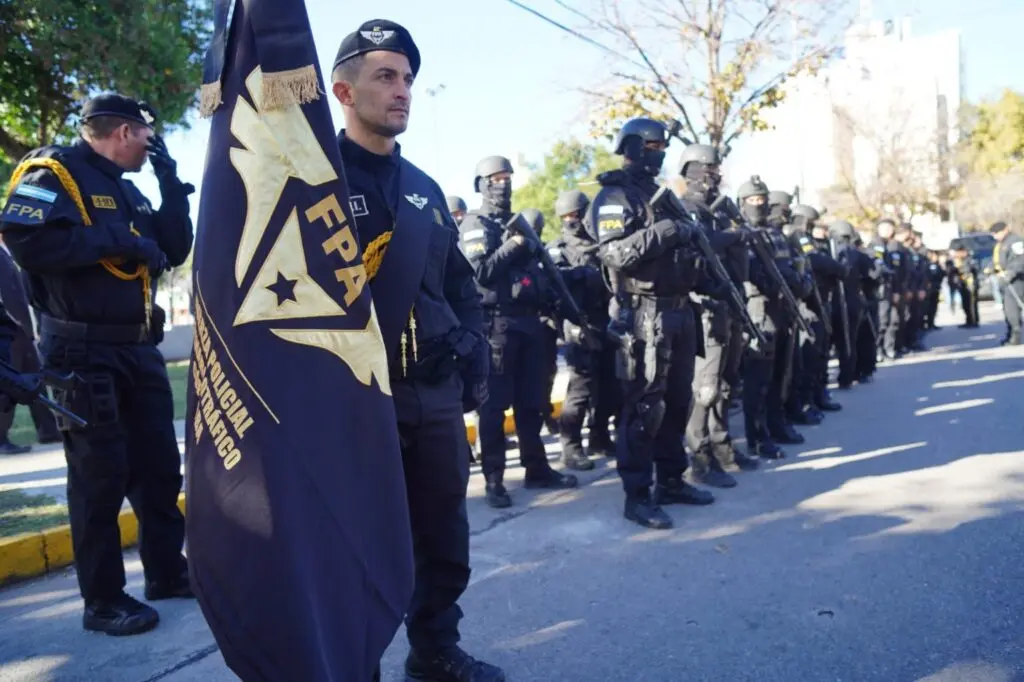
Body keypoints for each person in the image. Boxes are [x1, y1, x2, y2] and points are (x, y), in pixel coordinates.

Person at [330, 20, 504, 682]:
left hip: (432, 395)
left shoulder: (426, 190)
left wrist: (472, 348)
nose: (402, 91)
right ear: (344, 90)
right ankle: (355, 665)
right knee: (361, 545)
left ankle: (434, 649)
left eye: (407, 79)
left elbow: (459, 285)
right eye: (385, 76)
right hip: (356, 399)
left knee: (444, 539)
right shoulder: (311, 183)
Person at [0, 93, 194, 635]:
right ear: (125, 131)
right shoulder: (53, 170)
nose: (151, 146)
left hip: (136, 348)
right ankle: (103, 600)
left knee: (158, 471)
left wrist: (172, 187)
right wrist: (120, 241)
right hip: (81, 353)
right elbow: (22, 237)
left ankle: (166, 572)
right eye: (148, 138)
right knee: (98, 478)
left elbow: (173, 249)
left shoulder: (126, 189)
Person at [587, 117, 712, 530]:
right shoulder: (614, 195)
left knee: (678, 402)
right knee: (644, 406)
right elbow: (616, 254)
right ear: (633, 146)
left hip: (679, 310)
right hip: (643, 314)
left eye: (663, 146)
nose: (659, 152)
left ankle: (671, 480)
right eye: (653, 145)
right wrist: (667, 231)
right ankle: (637, 495)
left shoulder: (661, 195)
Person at [459, 156, 577, 509]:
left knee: (531, 403)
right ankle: (494, 479)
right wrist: (513, 245)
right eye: (495, 178)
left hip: (529, 323)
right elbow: (480, 272)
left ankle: (536, 468)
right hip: (496, 325)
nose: (503, 184)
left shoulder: (518, 222)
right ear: (481, 183)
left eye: (507, 177)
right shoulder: (475, 224)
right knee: (494, 407)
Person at [678, 143, 759, 488]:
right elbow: (702, 243)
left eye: (716, 170)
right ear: (692, 171)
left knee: (726, 384)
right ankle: (699, 458)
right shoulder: (684, 208)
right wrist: (731, 235)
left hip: (729, 305)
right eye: (708, 170)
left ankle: (722, 446)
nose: (714, 176)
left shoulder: (716, 212)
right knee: (705, 388)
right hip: (705, 307)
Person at [548, 189, 616, 470]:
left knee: (610, 388)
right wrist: (579, 275)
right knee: (580, 390)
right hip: (578, 326)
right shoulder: (557, 249)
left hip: (606, 321)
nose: (571, 221)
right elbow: (553, 285)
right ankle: (571, 447)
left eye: (576, 215)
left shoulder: (602, 244)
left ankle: (599, 437)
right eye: (565, 217)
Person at [0, 242, 60, 452]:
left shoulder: (6, 253)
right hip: (9, 329)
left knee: (34, 379)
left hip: (22, 330)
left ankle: (49, 431)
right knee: (9, 383)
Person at [991, 217, 1024, 345]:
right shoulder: (1001, 244)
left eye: (996, 233)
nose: (995, 237)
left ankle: (1015, 336)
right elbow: (998, 260)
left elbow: (1020, 261)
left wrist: (1011, 273)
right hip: (1004, 281)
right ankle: (1010, 333)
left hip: (1016, 281)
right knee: (1007, 309)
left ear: (1005, 230)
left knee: (1013, 310)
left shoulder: (1015, 241)